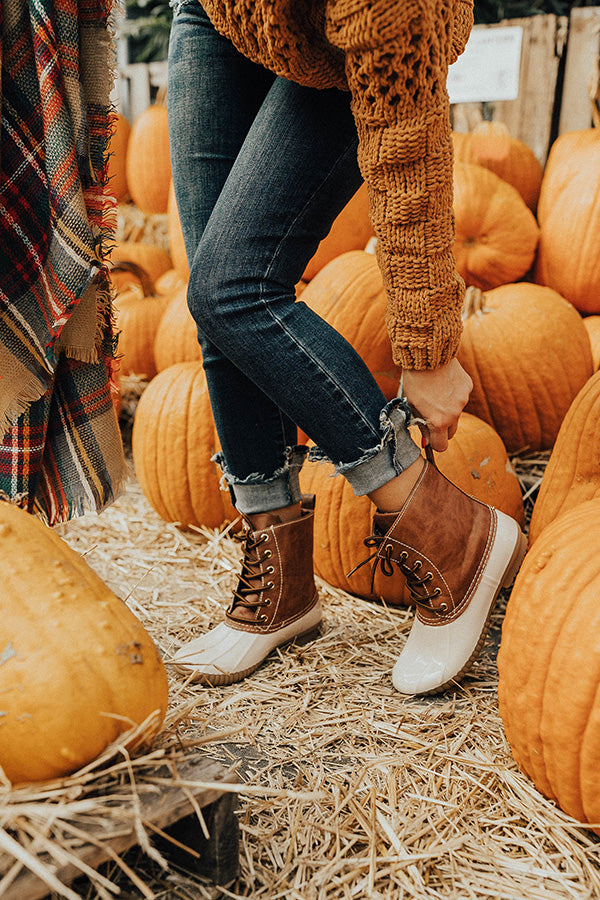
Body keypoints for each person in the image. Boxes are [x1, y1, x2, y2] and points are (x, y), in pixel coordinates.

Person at [166, 0, 527, 695]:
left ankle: (452, 533)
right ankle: (284, 587)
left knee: (232, 288)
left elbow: (407, 141)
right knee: (215, 302)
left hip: (344, 45)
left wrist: (427, 350)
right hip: (209, 13)